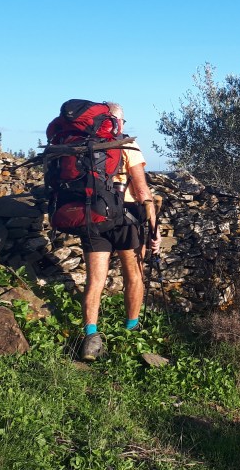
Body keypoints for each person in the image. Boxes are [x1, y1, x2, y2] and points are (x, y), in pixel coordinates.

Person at [78, 102, 160, 361]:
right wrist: (154, 229)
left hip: (93, 217)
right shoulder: (127, 145)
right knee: (133, 276)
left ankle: (90, 338)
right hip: (126, 218)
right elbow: (142, 191)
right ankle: (131, 332)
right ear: (119, 121)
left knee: (95, 281)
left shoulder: (84, 146)